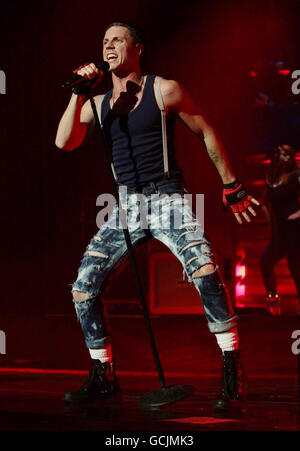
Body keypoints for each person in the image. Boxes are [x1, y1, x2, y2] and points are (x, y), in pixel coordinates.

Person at [55, 22, 259, 408]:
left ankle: (231, 365)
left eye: (117, 40)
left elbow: (206, 131)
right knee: (84, 286)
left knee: (205, 271)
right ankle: (103, 375)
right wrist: (78, 95)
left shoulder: (164, 89)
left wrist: (231, 184)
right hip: (126, 205)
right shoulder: (97, 104)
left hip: (168, 198)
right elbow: (64, 141)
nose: (108, 45)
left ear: (137, 48)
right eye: (104, 41)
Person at [260, 144, 300, 315]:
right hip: (280, 227)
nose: (288, 158)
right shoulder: (271, 177)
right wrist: (270, 220)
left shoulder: (296, 175)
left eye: (291, 155)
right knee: (266, 261)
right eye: (285, 155)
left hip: (295, 225)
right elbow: (264, 201)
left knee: (295, 263)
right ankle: (272, 296)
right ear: (277, 156)